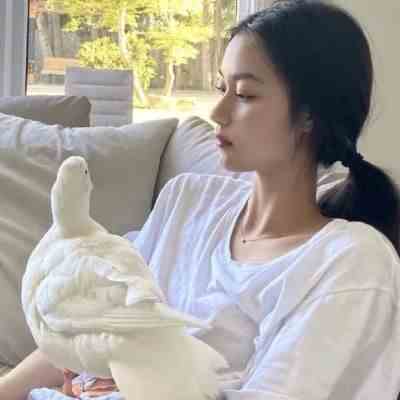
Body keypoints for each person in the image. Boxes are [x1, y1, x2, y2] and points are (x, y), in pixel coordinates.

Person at [2, 0, 400, 399]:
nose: (218, 111)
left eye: (244, 94)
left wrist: (136, 386)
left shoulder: (351, 262)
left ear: (310, 115)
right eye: (221, 87)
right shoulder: (189, 200)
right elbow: (87, 325)